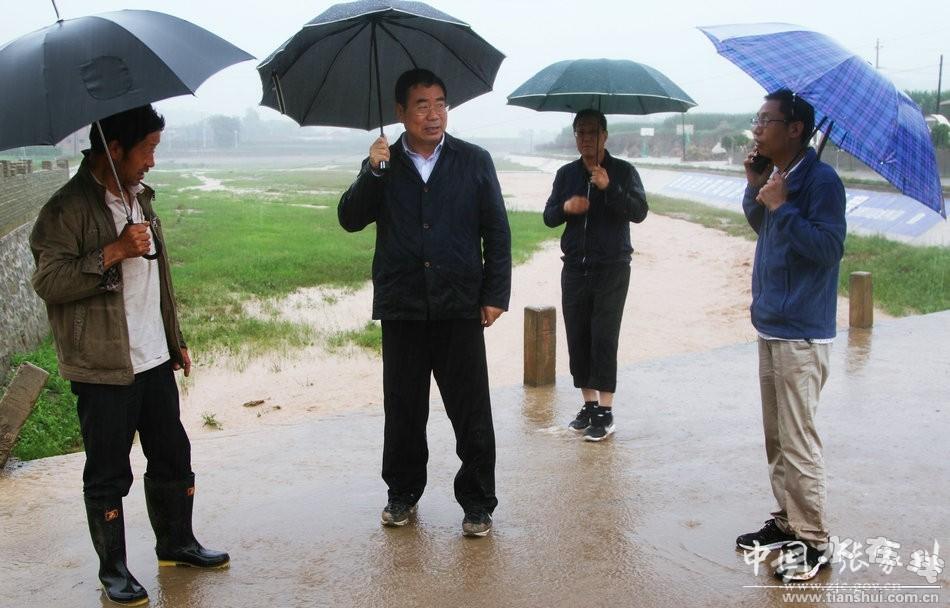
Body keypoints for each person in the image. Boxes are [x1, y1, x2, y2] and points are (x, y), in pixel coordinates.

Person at [30, 105, 228, 606]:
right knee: (108, 471)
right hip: (104, 366)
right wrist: (113, 252)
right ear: (113, 149)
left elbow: (158, 282)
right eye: (148, 150)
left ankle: (176, 543)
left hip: (153, 357)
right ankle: (113, 570)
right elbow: (48, 282)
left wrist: (174, 336)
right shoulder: (65, 210)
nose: (153, 161)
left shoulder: (142, 199)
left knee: (172, 455)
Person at [338, 69, 511, 537]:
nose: (433, 115)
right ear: (400, 112)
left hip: (459, 305)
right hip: (404, 308)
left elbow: (496, 229)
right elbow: (350, 218)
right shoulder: (383, 163)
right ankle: (402, 494)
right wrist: (373, 172)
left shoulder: (474, 161)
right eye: (421, 105)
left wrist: (495, 294)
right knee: (403, 410)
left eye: (440, 104)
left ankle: (477, 503)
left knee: (471, 410)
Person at [735, 89, 846, 582]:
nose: (758, 127)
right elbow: (764, 225)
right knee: (777, 437)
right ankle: (786, 520)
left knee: (799, 440)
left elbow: (827, 248)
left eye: (767, 119)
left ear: (795, 128)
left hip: (802, 331)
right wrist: (756, 187)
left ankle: (814, 539)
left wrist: (784, 207)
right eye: (757, 119)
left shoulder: (822, 182)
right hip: (773, 322)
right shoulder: (782, 176)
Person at [543, 109, 648, 442]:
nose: (585, 139)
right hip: (575, 266)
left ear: (605, 135)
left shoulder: (624, 171)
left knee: (604, 335)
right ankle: (588, 405)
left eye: (592, 132)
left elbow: (639, 211)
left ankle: (606, 411)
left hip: (612, 267)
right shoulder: (565, 174)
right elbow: (548, 216)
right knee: (579, 335)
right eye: (580, 132)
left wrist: (609, 187)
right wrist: (565, 209)